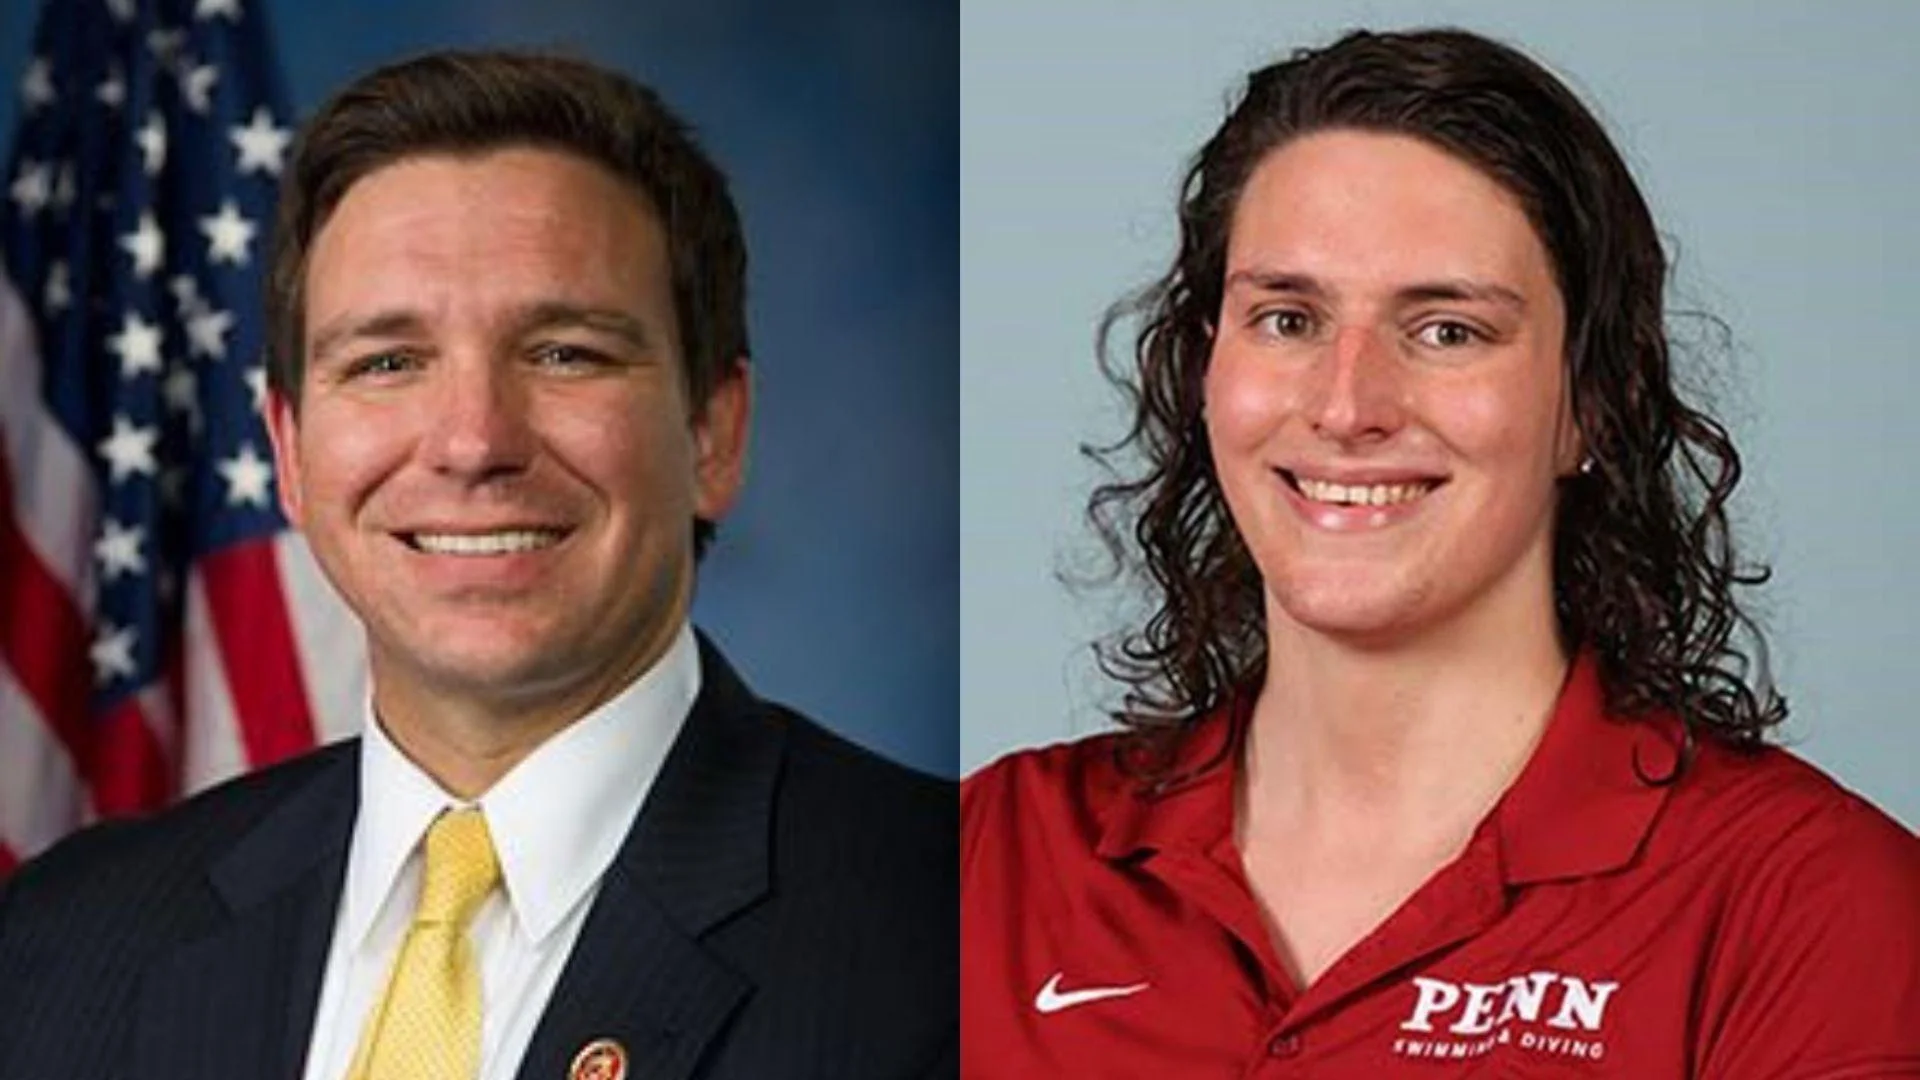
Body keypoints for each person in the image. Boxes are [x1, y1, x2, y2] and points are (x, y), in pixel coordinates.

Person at [960, 27, 1920, 1077]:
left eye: (1448, 330)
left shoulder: (1811, 904)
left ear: (1592, 404)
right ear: (1204, 371)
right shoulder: (987, 858)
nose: (1346, 405)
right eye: (1287, 318)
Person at [0, 51, 955, 1079]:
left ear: (714, 434)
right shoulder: (61, 943)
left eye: (564, 352)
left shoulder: (960, 926)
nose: (471, 441)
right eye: (387, 363)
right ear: (287, 453)